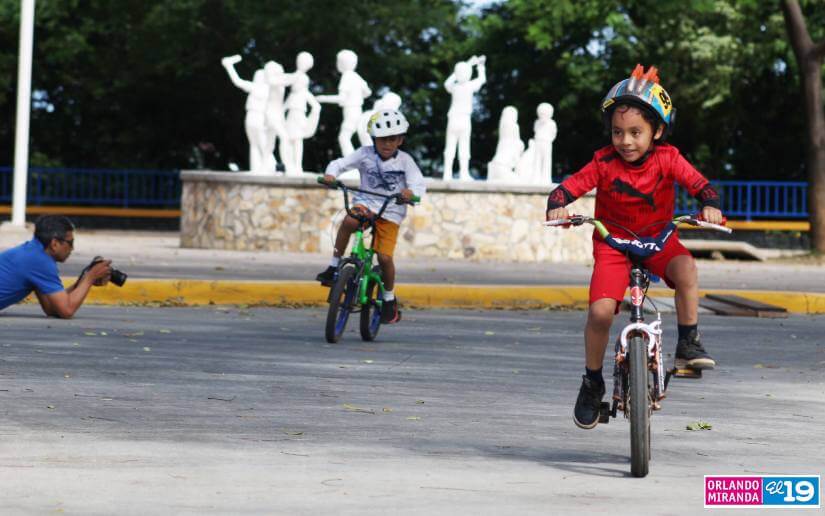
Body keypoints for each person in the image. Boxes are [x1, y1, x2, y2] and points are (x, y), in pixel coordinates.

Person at [544, 65, 725, 429]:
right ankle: (592, 382)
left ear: (657, 130)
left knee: (687, 269)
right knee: (599, 313)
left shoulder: (669, 159)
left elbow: (703, 186)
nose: (625, 141)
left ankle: (688, 342)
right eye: (618, 132)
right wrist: (557, 204)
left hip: (659, 240)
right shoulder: (603, 163)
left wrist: (710, 204)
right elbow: (566, 189)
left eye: (636, 132)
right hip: (613, 246)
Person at [316, 109, 426, 324]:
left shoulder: (405, 161)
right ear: (374, 140)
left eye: (392, 139)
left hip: (391, 210)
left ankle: (388, 298)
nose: (386, 144)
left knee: (384, 257)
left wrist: (410, 194)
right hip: (366, 204)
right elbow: (340, 164)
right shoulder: (364, 154)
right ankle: (333, 265)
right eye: (381, 140)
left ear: (400, 140)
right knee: (348, 221)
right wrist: (331, 175)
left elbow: (418, 185)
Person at [0, 215, 112, 318]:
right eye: (70, 243)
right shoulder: (40, 261)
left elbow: (52, 308)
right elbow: (66, 310)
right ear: (54, 244)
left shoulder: (34, 251)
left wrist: (82, 281)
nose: (72, 249)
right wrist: (90, 278)